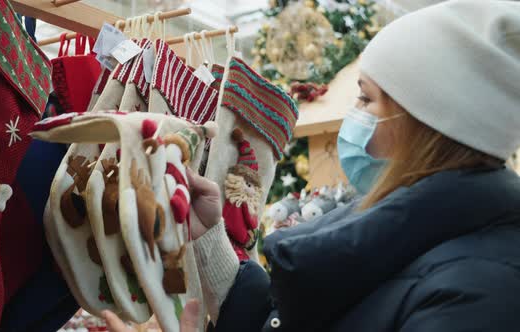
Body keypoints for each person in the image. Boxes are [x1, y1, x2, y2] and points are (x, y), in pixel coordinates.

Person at [106, 0, 520, 331]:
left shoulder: (481, 292)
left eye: (366, 99)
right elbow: (281, 319)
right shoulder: (407, 233)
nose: (353, 116)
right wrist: (210, 237)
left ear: (422, 120)